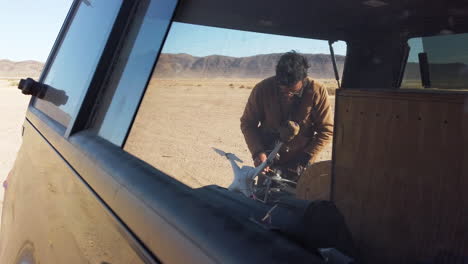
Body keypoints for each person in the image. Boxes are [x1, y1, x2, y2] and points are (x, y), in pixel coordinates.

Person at [240, 51, 334, 181]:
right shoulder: (262, 89)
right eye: (283, 90)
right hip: (268, 162)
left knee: (297, 200)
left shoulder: (317, 91)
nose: (288, 95)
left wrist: (306, 158)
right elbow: (248, 123)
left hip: (300, 165)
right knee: (263, 198)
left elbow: (326, 130)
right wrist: (258, 153)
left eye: (293, 91)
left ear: (303, 79)